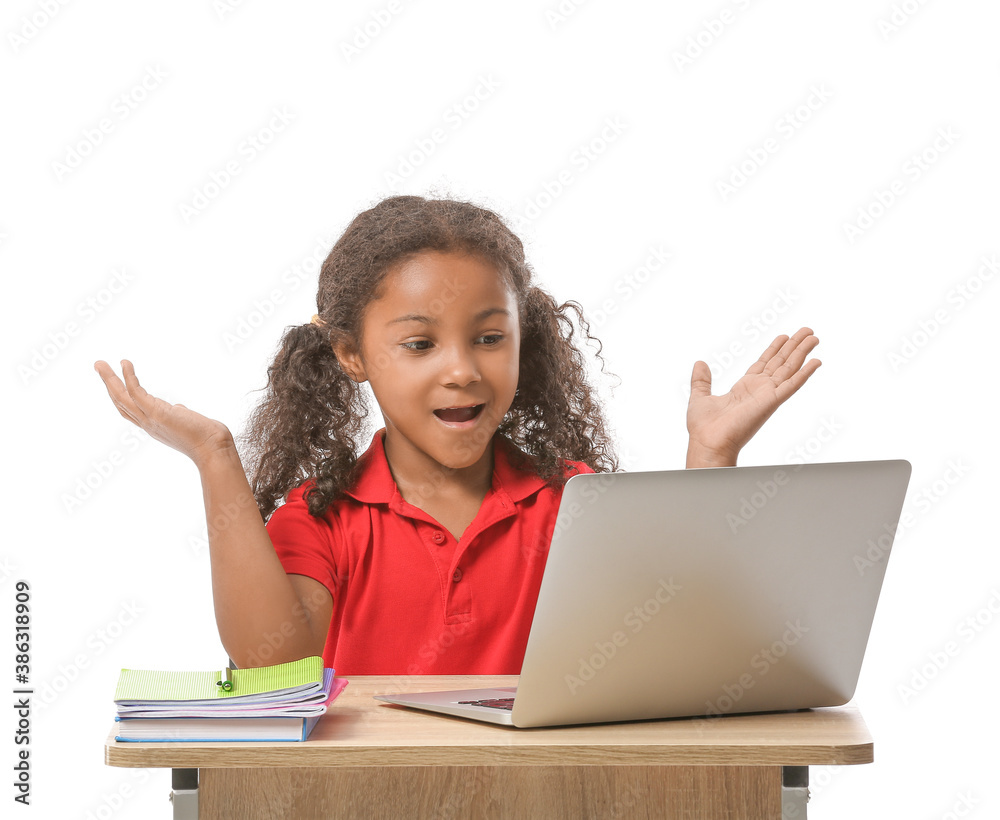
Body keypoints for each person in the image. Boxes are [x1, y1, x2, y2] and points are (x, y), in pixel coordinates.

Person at [94, 195, 820, 676]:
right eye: (419, 346)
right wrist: (216, 458)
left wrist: (712, 460)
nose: (462, 371)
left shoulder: (575, 502)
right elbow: (269, 664)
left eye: (488, 338)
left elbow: (685, 652)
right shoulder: (322, 519)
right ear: (351, 354)